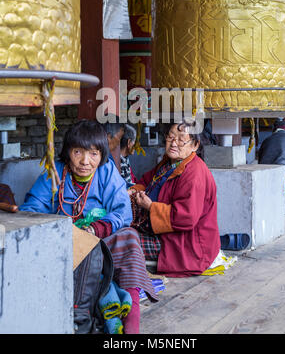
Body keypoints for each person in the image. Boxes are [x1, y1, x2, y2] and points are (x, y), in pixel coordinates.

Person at [19, 119, 157, 333]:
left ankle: (132, 327)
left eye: (93, 154)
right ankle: (84, 316)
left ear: (102, 155)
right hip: (64, 243)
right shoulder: (54, 173)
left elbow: (123, 211)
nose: (85, 161)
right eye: (78, 152)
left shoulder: (106, 172)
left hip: (101, 238)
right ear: (68, 152)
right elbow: (30, 210)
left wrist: (95, 229)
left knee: (129, 237)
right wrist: (62, 228)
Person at [128, 119, 221, 277]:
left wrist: (151, 207)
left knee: (124, 241)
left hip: (184, 245)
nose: (173, 143)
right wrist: (132, 191)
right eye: (171, 137)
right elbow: (146, 181)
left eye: (181, 139)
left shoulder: (195, 173)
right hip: (163, 233)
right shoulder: (169, 164)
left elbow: (186, 217)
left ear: (195, 145)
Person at [120, 123, 137, 188]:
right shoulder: (118, 164)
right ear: (129, 143)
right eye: (134, 143)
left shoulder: (125, 159)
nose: (135, 146)